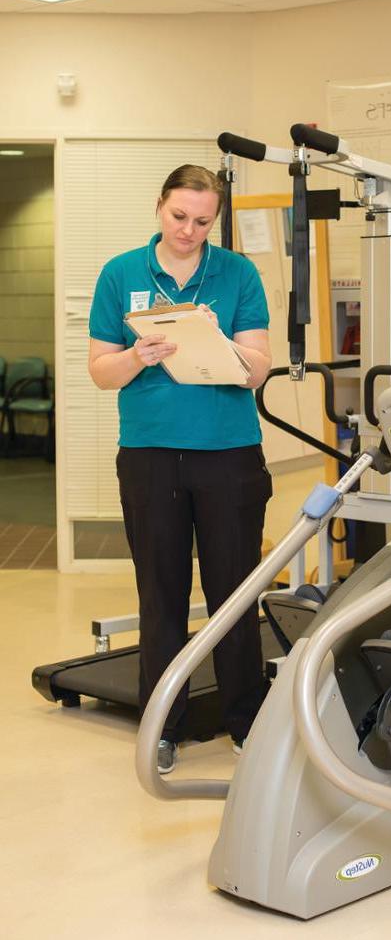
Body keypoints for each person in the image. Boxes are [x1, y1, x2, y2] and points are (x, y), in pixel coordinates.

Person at [88, 164, 273, 774]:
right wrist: (138, 356)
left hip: (228, 453)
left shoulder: (238, 273)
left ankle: (247, 722)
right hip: (150, 453)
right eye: (179, 217)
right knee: (161, 593)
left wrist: (221, 340)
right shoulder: (121, 274)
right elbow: (100, 371)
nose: (189, 230)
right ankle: (161, 725)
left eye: (202, 221)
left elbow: (257, 370)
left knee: (233, 592)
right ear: (159, 207)